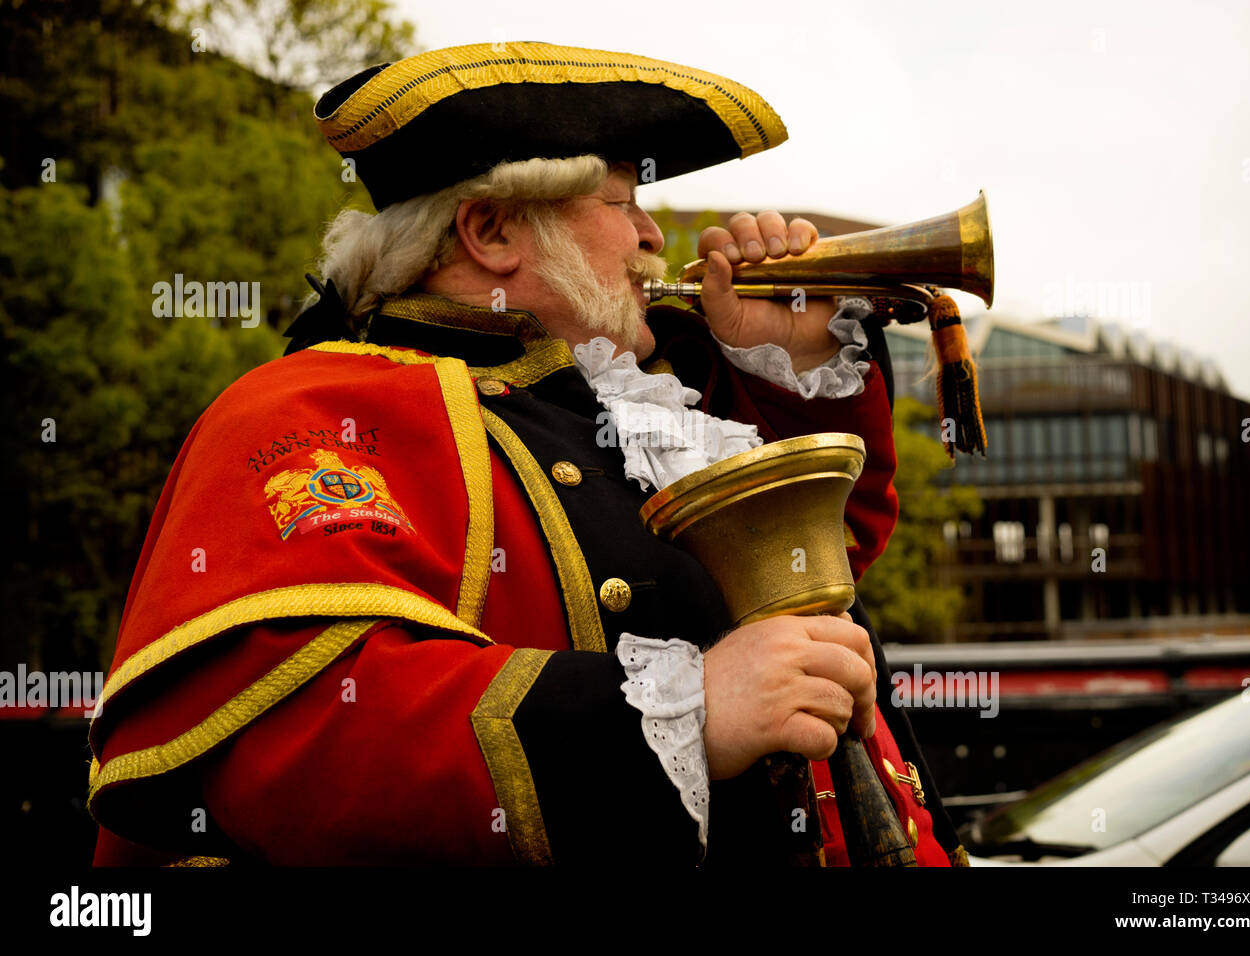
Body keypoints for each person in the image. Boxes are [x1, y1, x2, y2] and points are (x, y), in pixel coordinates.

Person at [88, 41, 968, 867]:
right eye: (621, 203)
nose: (654, 237)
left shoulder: (644, 396)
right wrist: (682, 714)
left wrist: (786, 363)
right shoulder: (319, 409)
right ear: (494, 232)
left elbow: (818, 572)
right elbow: (289, 732)